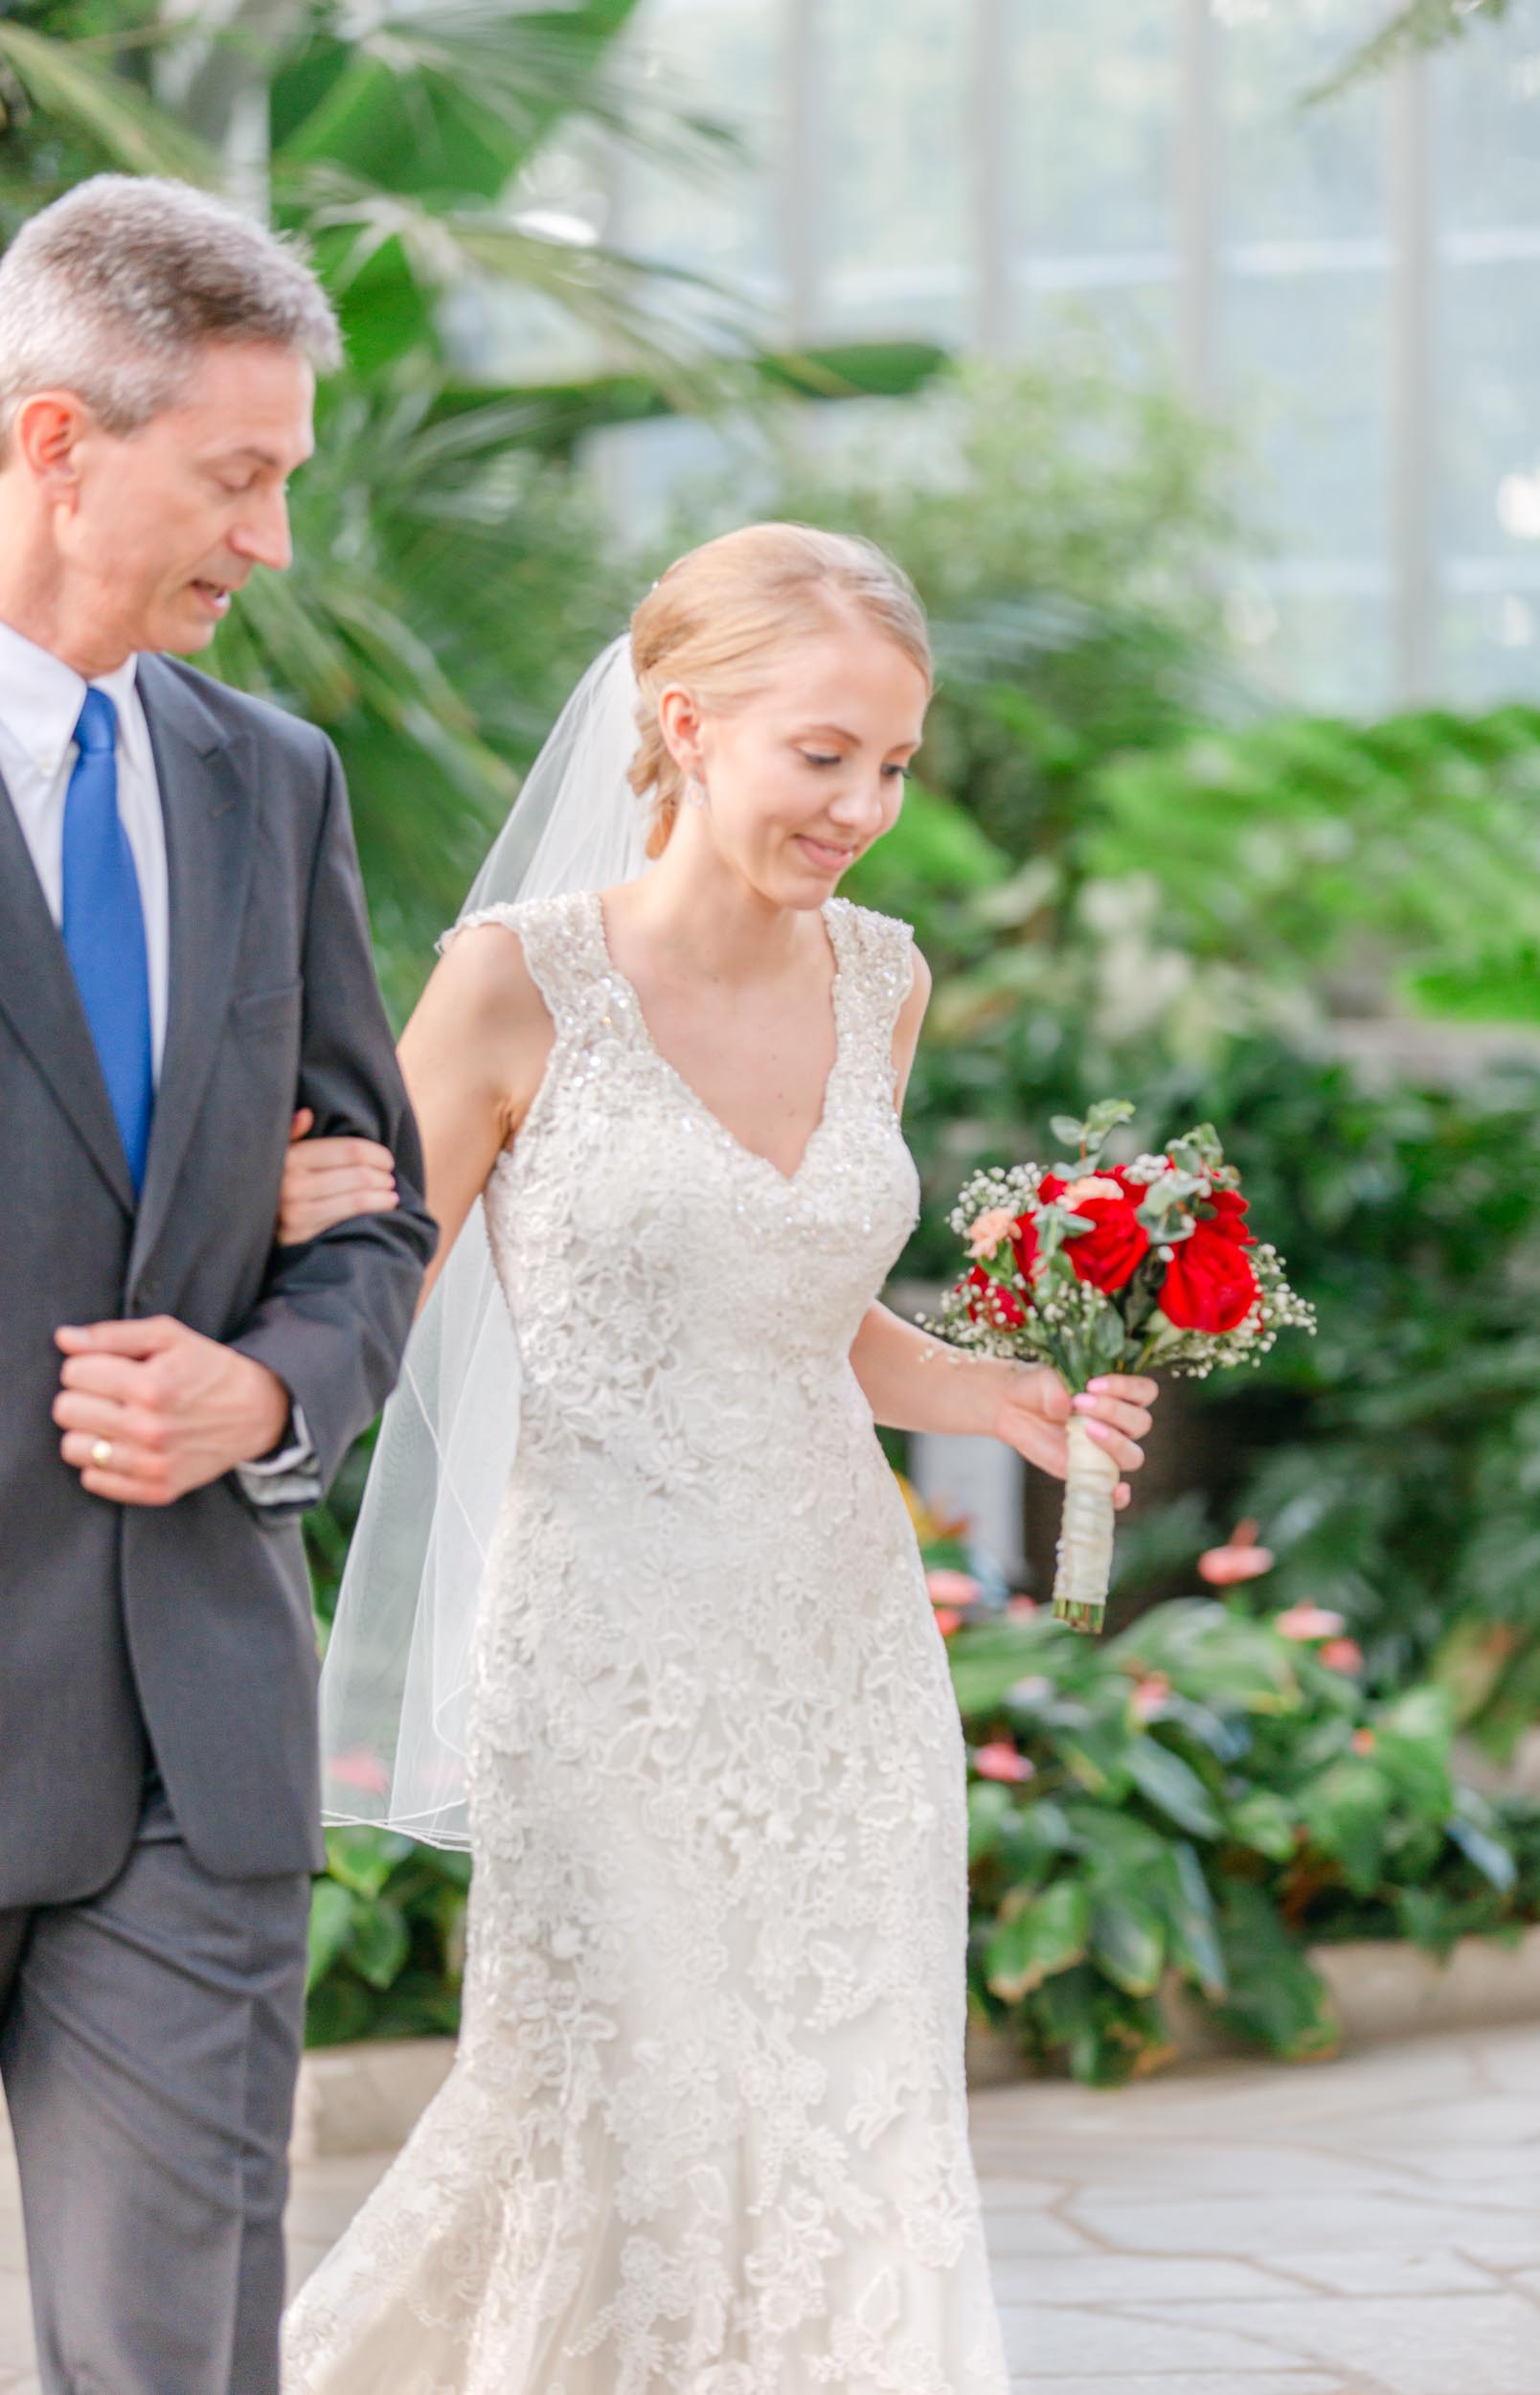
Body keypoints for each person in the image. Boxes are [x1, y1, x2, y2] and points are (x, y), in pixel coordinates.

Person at [278, 523, 1158, 2393]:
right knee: (627, 2110)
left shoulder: (886, 980)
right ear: (686, 722)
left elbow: (811, 1304)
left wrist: (996, 1392)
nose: (864, 804)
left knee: (855, 2118)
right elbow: (372, 1296)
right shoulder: (515, 981)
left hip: (841, 1652)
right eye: (823, 752)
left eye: (897, 762)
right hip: (602, 1657)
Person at [0, 175, 435, 2395]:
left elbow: (377, 1211)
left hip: (190, 1724)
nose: (269, 541)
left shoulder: (277, 782)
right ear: (57, 442)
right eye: (237, 476)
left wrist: (266, 1389)